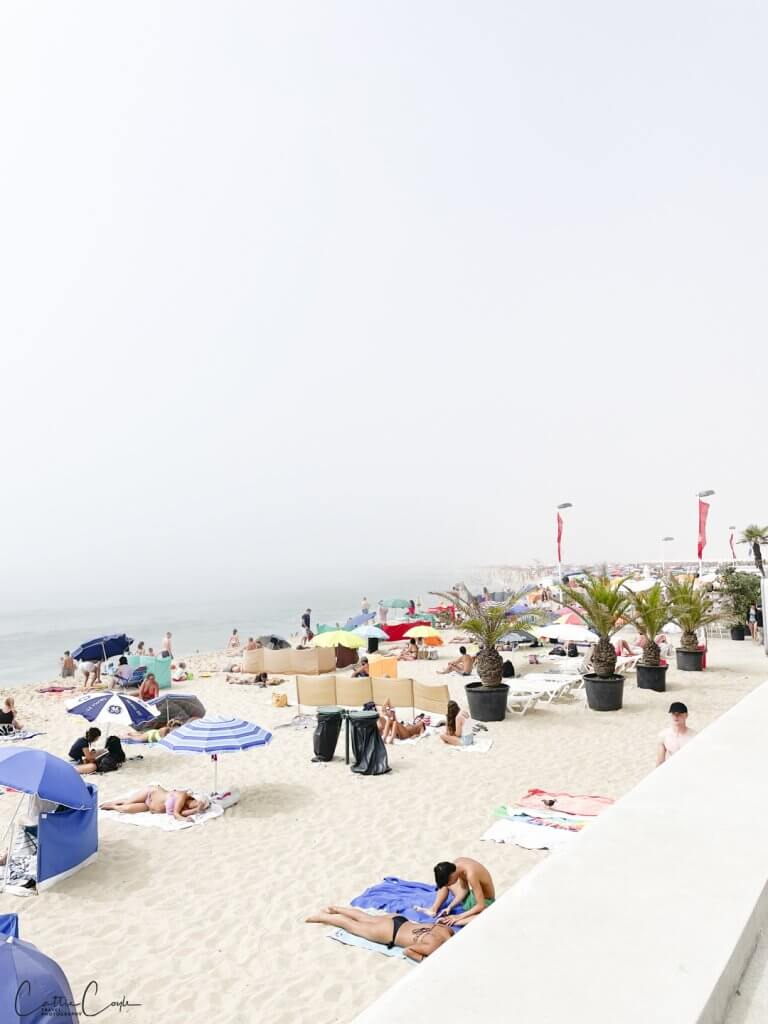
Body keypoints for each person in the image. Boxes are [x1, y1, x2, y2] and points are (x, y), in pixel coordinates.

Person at [305, 907, 454, 962]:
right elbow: (408, 951)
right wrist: (423, 959)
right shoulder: (433, 947)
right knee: (353, 926)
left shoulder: (448, 931)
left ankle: (335, 908)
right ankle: (321, 917)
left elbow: (438, 924)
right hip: (390, 933)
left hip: (399, 920)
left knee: (365, 917)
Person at [424, 858, 496, 925]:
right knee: (443, 886)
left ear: (452, 875)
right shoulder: (458, 864)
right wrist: (450, 907)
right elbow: (464, 889)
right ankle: (433, 909)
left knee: (485, 914)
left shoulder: (471, 874)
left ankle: (455, 922)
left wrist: (458, 917)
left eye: (449, 883)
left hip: (485, 902)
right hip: (472, 897)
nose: (449, 885)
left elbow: (480, 905)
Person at [100, 786, 208, 820]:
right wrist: (185, 818)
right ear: (194, 799)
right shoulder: (182, 795)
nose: (196, 805)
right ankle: (113, 802)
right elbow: (176, 815)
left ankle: (113, 806)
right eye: (197, 803)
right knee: (128, 801)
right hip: (151, 793)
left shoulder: (185, 808)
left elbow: (181, 813)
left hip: (148, 806)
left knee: (127, 809)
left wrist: (196, 810)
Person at [656, 702, 697, 766]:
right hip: (671, 769)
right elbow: (660, 762)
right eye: (673, 714)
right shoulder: (663, 736)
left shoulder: (694, 736)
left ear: (686, 715)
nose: (676, 716)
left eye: (679, 714)